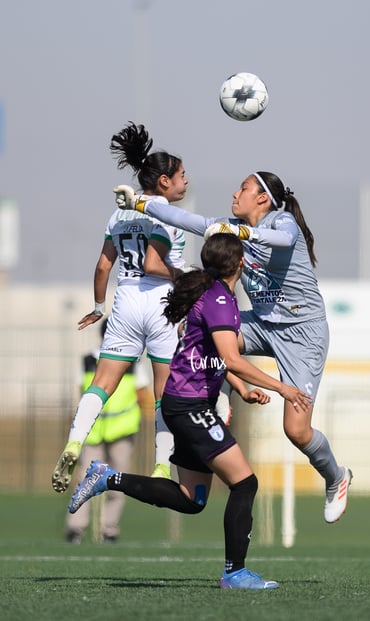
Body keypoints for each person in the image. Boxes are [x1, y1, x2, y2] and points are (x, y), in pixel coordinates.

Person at [67, 233, 312, 589]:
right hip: (190, 405)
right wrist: (283, 388)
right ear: (240, 265)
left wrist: (242, 389)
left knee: (192, 499)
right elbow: (231, 358)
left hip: (185, 403)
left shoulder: (211, 294)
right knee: (245, 483)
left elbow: (210, 356)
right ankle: (235, 572)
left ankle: (107, 477)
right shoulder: (218, 299)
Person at [113, 171, 353, 524]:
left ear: (262, 198)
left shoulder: (281, 220)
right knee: (204, 333)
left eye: (243, 188)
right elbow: (189, 219)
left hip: (303, 332)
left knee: (297, 431)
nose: (235, 193)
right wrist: (139, 203)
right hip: (262, 322)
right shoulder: (232, 226)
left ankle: (336, 476)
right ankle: (220, 397)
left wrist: (243, 232)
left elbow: (283, 240)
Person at [52, 122, 188, 494]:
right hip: (160, 302)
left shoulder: (118, 214)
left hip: (124, 302)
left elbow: (101, 267)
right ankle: (162, 466)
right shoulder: (165, 212)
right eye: (181, 175)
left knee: (102, 383)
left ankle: (75, 442)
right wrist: (186, 276)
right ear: (163, 181)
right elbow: (153, 264)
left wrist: (99, 306)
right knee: (163, 392)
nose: (185, 181)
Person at [65, 319, 151, 544]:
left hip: (120, 430)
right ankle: (77, 528)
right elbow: (144, 396)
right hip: (95, 432)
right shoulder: (88, 362)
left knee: (116, 481)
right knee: (87, 480)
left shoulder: (133, 363)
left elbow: (141, 394)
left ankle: (107, 530)